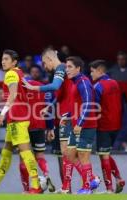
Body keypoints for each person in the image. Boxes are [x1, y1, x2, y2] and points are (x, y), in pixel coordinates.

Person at [0, 49, 43, 194]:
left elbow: (12, 96)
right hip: (18, 117)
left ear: (14, 62)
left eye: (6, 59)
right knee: (6, 152)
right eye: (2, 59)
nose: (3, 61)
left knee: (25, 152)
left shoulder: (11, 74)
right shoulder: (19, 73)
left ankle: (36, 185)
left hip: (17, 117)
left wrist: (2, 114)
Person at [23, 48, 75, 193]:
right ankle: (67, 188)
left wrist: (33, 87)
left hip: (67, 116)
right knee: (62, 155)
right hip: (61, 116)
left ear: (49, 59)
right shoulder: (63, 71)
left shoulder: (61, 68)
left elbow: (54, 86)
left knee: (71, 155)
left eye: (45, 63)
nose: (45, 67)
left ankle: (90, 181)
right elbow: (60, 94)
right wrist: (50, 107)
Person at [65, 56, 100, 194]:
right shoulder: (75, 82)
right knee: (70, 154)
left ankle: (87, 188)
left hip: (86, 125)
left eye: (70, 67)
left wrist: (80, 122)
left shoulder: (83, 82)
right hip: (76, 125)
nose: (66, 69)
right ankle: (92, 178)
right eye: (66, 67)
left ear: (78, 68)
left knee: (83, 156)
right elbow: (76, 104)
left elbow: (89, 103)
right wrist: (67, 116)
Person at [90, 59, 125, 193]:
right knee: (106, 154)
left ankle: (109, 189)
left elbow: (94, 107)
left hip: (104, 126)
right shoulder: (115, 83)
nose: (91, 74)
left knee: (103, 156)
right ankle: (119, 179)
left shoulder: (98, 86)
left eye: (92, 72)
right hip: (116, 125)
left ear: (100, 71)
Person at [19, 77, 56, 192]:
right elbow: (48, 107)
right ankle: (46, 174)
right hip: (39, 124)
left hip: (23, 125)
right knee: (40, 156)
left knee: (24, 158)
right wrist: (50, 128)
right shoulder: (41, 87)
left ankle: (26, 189)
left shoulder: (19, 87)